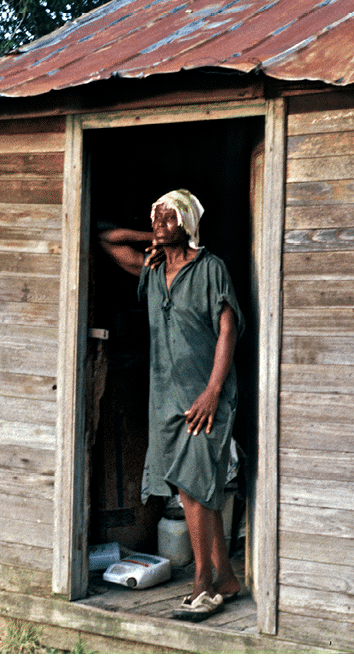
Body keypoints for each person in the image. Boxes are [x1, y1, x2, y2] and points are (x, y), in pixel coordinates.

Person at [98, 188, 243, 622]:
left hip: (205, 397)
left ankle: (203, 583)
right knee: (190, 489)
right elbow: (106, 239)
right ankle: (228, 577)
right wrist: (155, 236)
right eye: (156, 215)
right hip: (165, 397)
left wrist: (213, 391)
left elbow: (229, 329)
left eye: (169, 217)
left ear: (189, 224)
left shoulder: (211, 268)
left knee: (199, 488)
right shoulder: (152, 268)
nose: (160, 221)